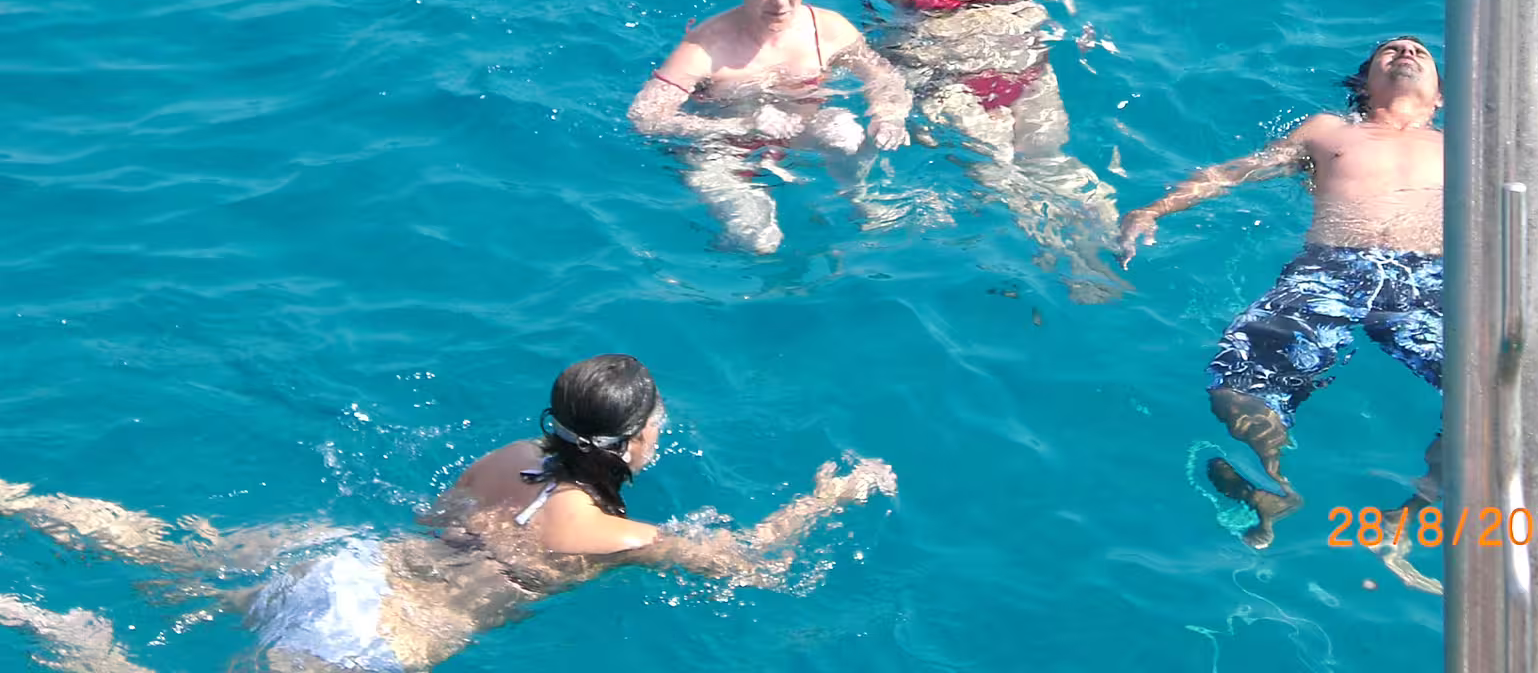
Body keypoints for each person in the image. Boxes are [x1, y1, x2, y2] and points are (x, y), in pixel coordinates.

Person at [1114, 36, 1538, 590]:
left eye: (1420, 50)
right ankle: (1272, 487)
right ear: (1364, 81)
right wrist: (1152, 211)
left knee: (1496, 402)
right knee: (1235, 391)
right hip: (1330, 269)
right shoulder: (1326, 132)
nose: (1408, 52)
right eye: (1390, 49)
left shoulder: (1469, 144)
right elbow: (1234, 173)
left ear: (1441, 96)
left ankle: (1407, 517)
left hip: (1429, 281)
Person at [0, 354, 897, 672]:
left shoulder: (506, 460)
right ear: (629, 443)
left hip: (345, 568)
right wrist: (832, 494)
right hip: (374, 643)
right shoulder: (616, 535)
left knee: (171, 553)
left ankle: (25, 504)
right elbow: (751, 563)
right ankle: (77, 641)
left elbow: (436, 522)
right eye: (655, 426)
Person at [611, 0, 1241, 296]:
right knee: (1001, 175)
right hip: (948, 87)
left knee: (1055, 163)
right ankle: (1064, 265)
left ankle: (1108, 243)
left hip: (1028, 72)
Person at [627, 0, 911, 254]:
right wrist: (742, 124)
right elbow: (645, 118)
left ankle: (856, 195)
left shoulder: (829, 30)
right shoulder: (703, 49)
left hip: (799, 132)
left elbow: (884, 77)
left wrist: (888, 114)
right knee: (761, 241)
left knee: (844, 132)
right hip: (721, 152)